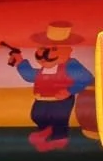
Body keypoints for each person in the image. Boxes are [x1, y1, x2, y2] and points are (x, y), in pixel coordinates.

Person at [6, 22, 93, 151]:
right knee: (37, 116)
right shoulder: (44, 69)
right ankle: (46, 130)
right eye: (43, 47)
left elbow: (86, 78)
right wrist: (19, 61)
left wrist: (69, 91)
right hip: (41, 99)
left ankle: (59, 139)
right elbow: (31, 76)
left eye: (53, 49)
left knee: (59, 119)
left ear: (67, 51)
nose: (43, 53)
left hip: (61, 101)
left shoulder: (71, 65)